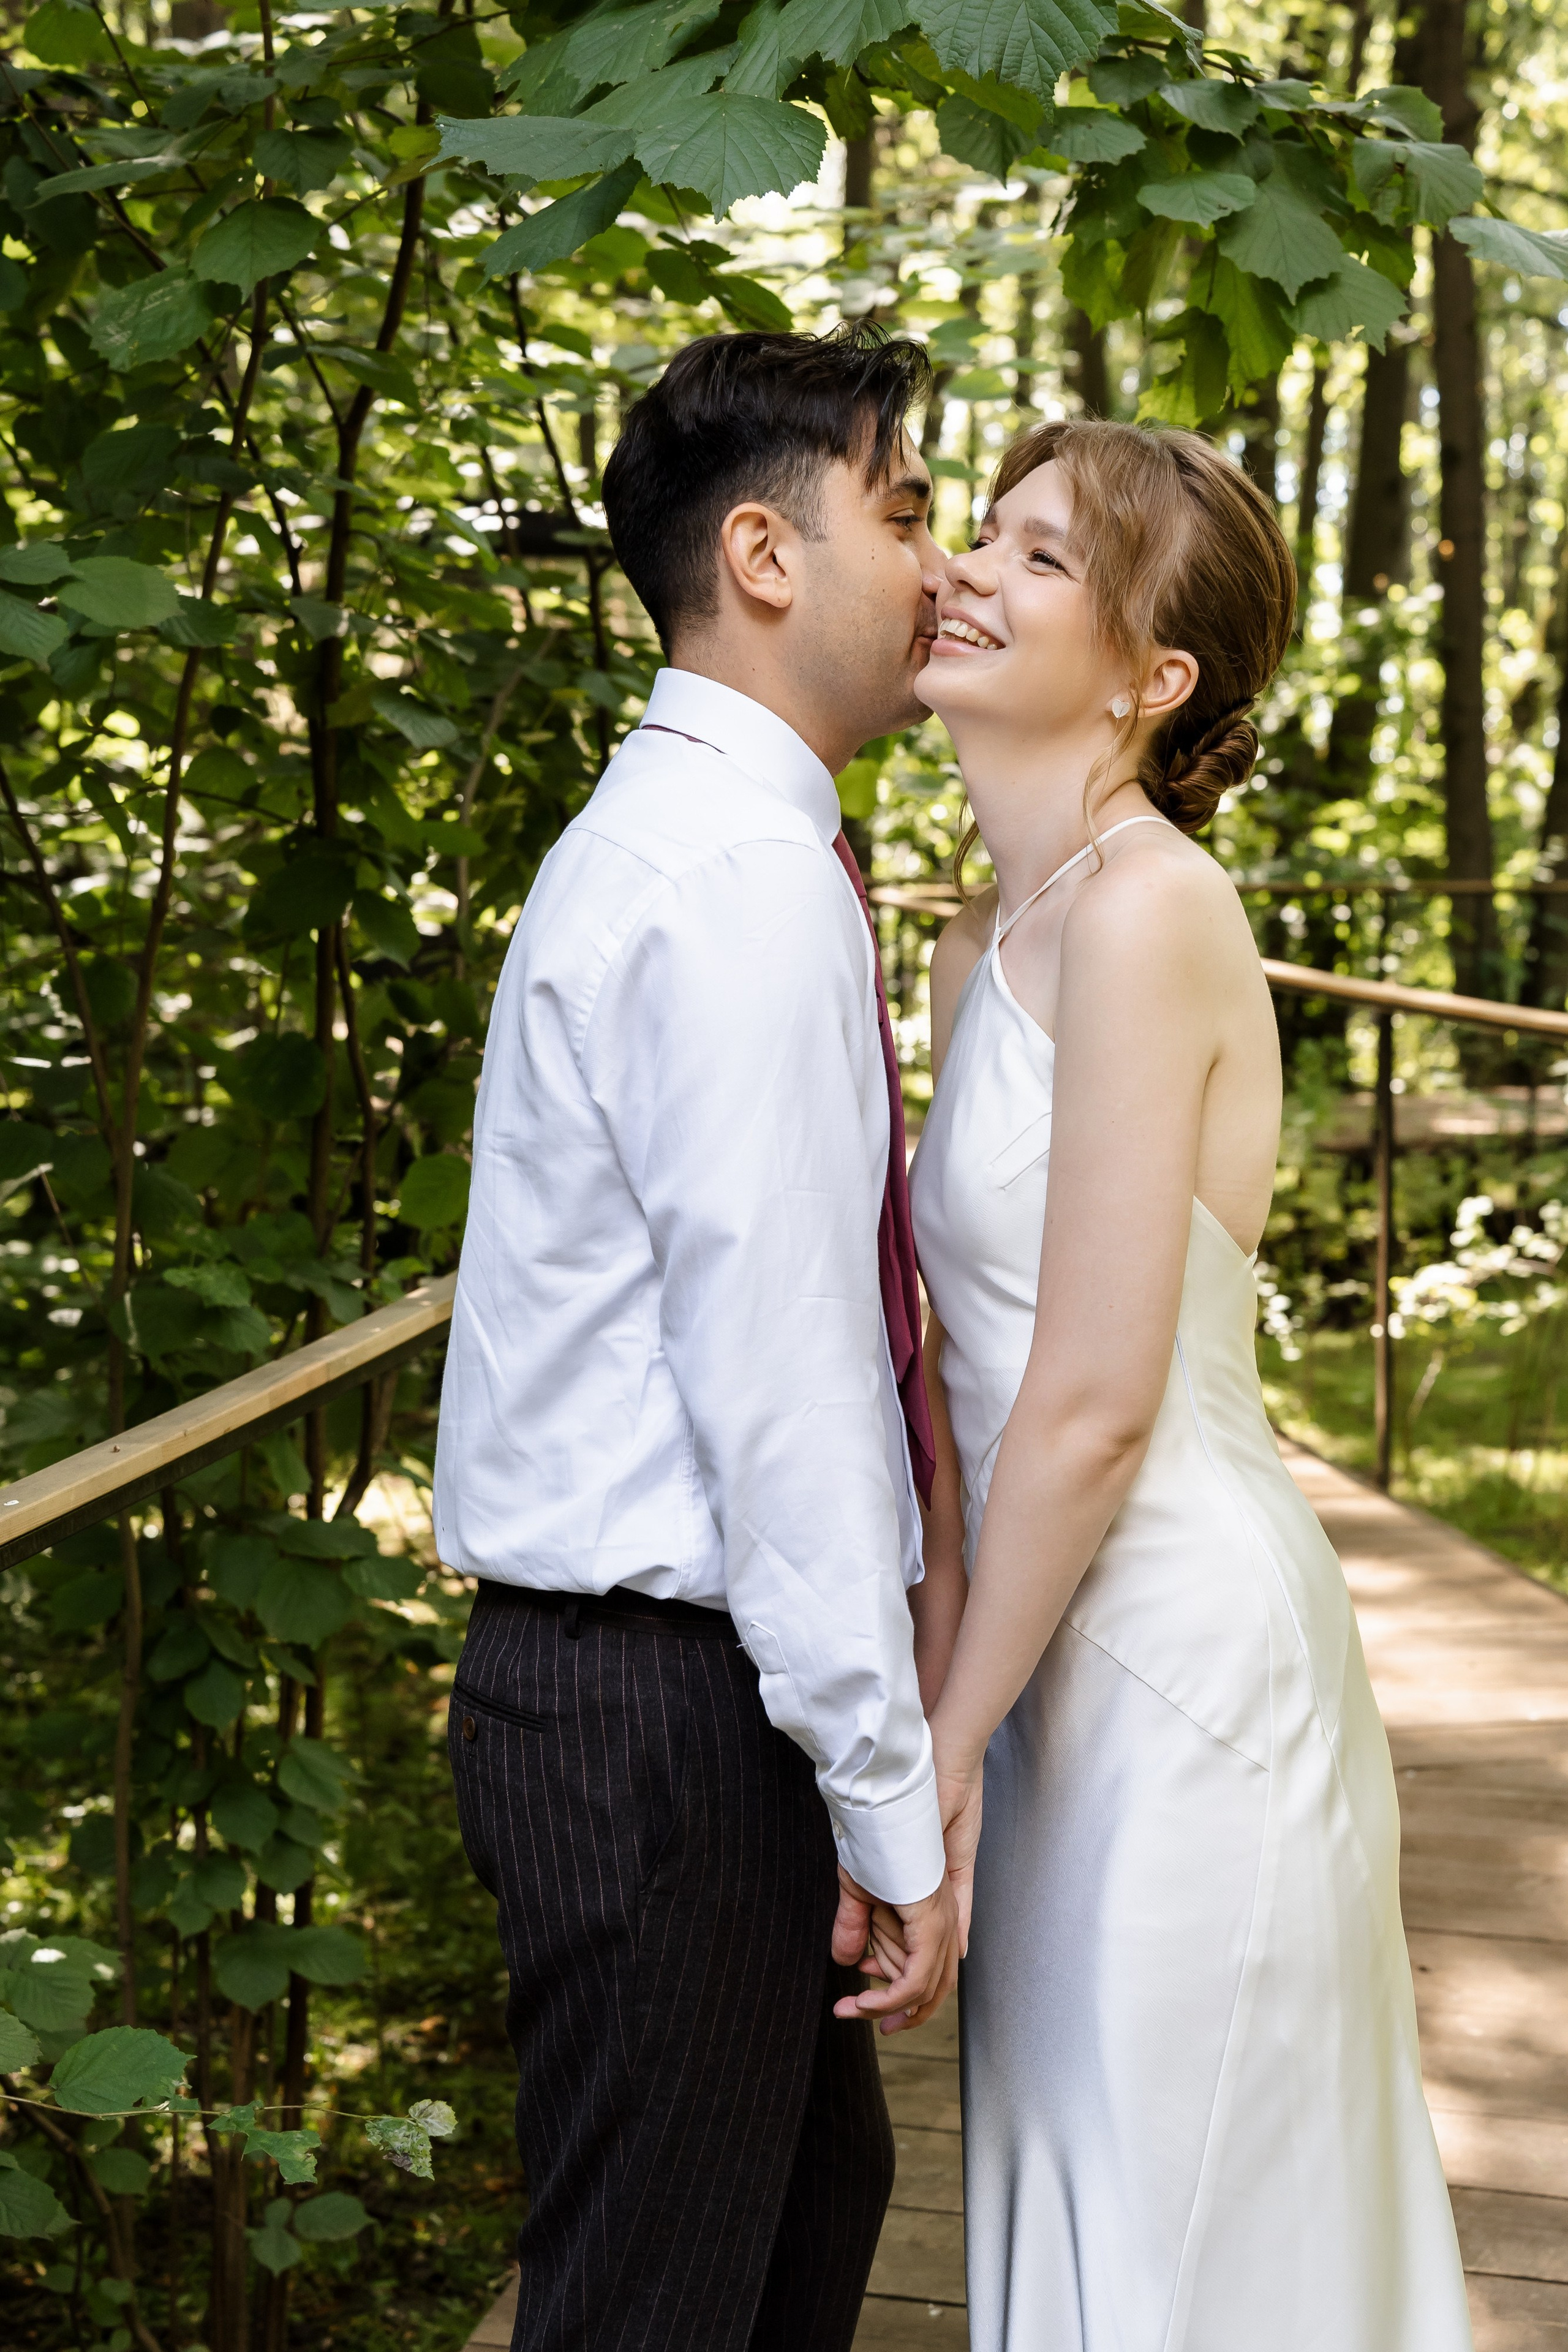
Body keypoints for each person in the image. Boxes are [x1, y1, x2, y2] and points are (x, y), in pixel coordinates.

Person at [905, 418, 1474, 2350]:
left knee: (1187, 2221)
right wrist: (956, 1679)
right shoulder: (985, 936)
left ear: (1157, 683)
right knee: (1075, 2188)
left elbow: (1091, 1404)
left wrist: (937, 1752)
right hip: (1040, 1662)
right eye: (979, 530)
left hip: (1180, 1674)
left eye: (1044, 558)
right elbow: (965, 1379)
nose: (969, 566)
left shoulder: (1157, 910)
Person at [431, 325, 965, 2352]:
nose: (937, 569)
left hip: (676, 1703)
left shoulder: (717, 840)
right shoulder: (733, 876)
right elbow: (790, 1392)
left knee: (807, 2218)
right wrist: (893, 1808)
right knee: (657, 2304)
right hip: (657, 1715)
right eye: (905, 514)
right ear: (764, 552)